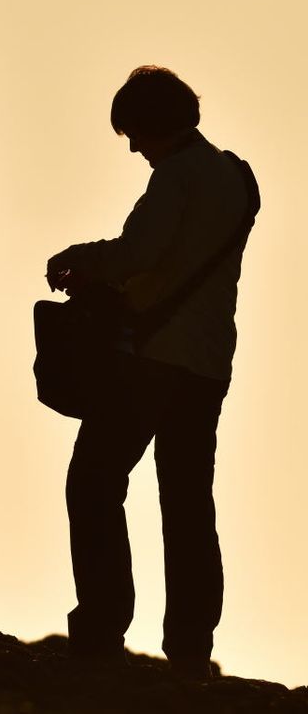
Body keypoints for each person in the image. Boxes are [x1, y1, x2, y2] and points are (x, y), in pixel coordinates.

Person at [46, 67, 257, 678]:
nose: (133, 148)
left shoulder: (175, 177)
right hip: (209, 362)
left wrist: (82, 262)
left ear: (149, 126)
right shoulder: (234, 175)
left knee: (93, 482)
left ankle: (101, 627)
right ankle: (191, 643)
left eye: (132, 134)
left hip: (150, 358)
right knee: (189, 500)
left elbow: (140, 254)